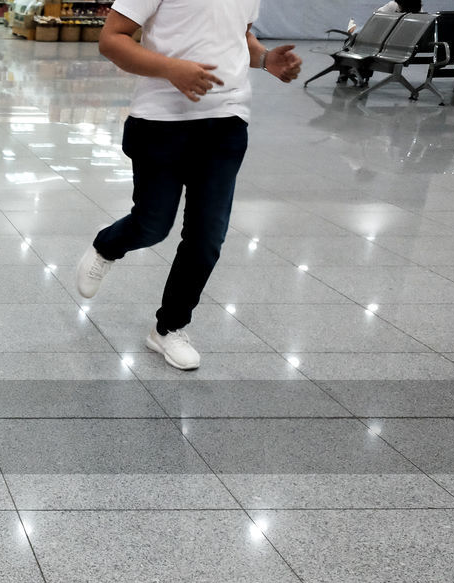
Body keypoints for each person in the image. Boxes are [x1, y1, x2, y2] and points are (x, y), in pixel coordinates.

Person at [74, 1, 302, 369]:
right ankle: (107, 246)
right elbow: (112, 39)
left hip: (227, 121)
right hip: (159, 122)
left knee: (207, 236)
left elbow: (237, 35)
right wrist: (171, 69)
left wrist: (263, 59)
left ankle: (169, 329)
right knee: (152, 225)